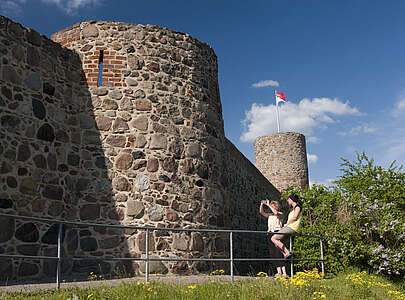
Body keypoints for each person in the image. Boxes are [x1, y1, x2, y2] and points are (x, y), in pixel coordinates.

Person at [271, 193, 303, 259]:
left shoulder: (297, 207)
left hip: (292, 227)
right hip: (290, 227)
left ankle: (287, 252)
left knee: (273, 238)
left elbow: (295, 218)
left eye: (289, 199)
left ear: (292, 200)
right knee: (277, 243)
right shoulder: (292, 209)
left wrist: (286, 225)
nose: (288, 200)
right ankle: (286, 254)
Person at [260, 199, 287, 277]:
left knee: (279, 252)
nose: (271, 208)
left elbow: (276, 213)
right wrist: (262, 204)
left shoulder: (280, 214)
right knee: (273, 253)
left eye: (273, 206)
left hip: (277, 233)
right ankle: (279, 272)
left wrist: (268, 205)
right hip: (270, 233)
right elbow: (262, 212)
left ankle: (284, 272)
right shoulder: (270, 215)